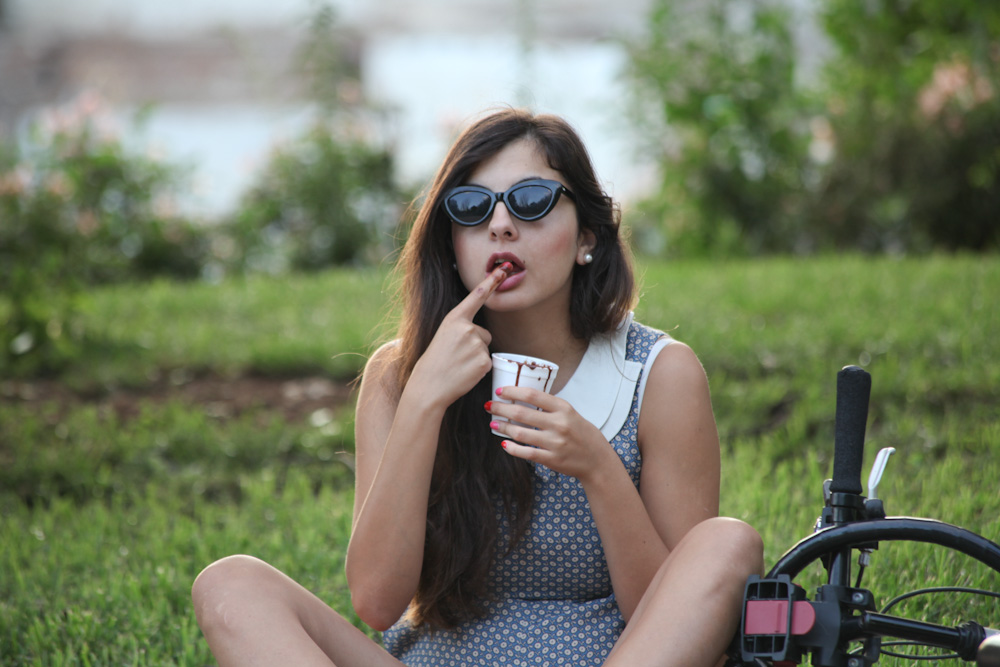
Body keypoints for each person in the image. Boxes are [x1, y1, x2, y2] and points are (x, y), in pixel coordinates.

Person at [191, 108, 764, 667]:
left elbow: (676, 621)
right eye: (471, 207)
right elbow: (378, 601)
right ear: (452, 244)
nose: (500, 225)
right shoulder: (402, 376)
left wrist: (598, 468)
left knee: (727, 544)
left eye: (532, 201)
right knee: (231, 586)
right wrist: (423, 401)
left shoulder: (656, 374)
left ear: (586, 237)